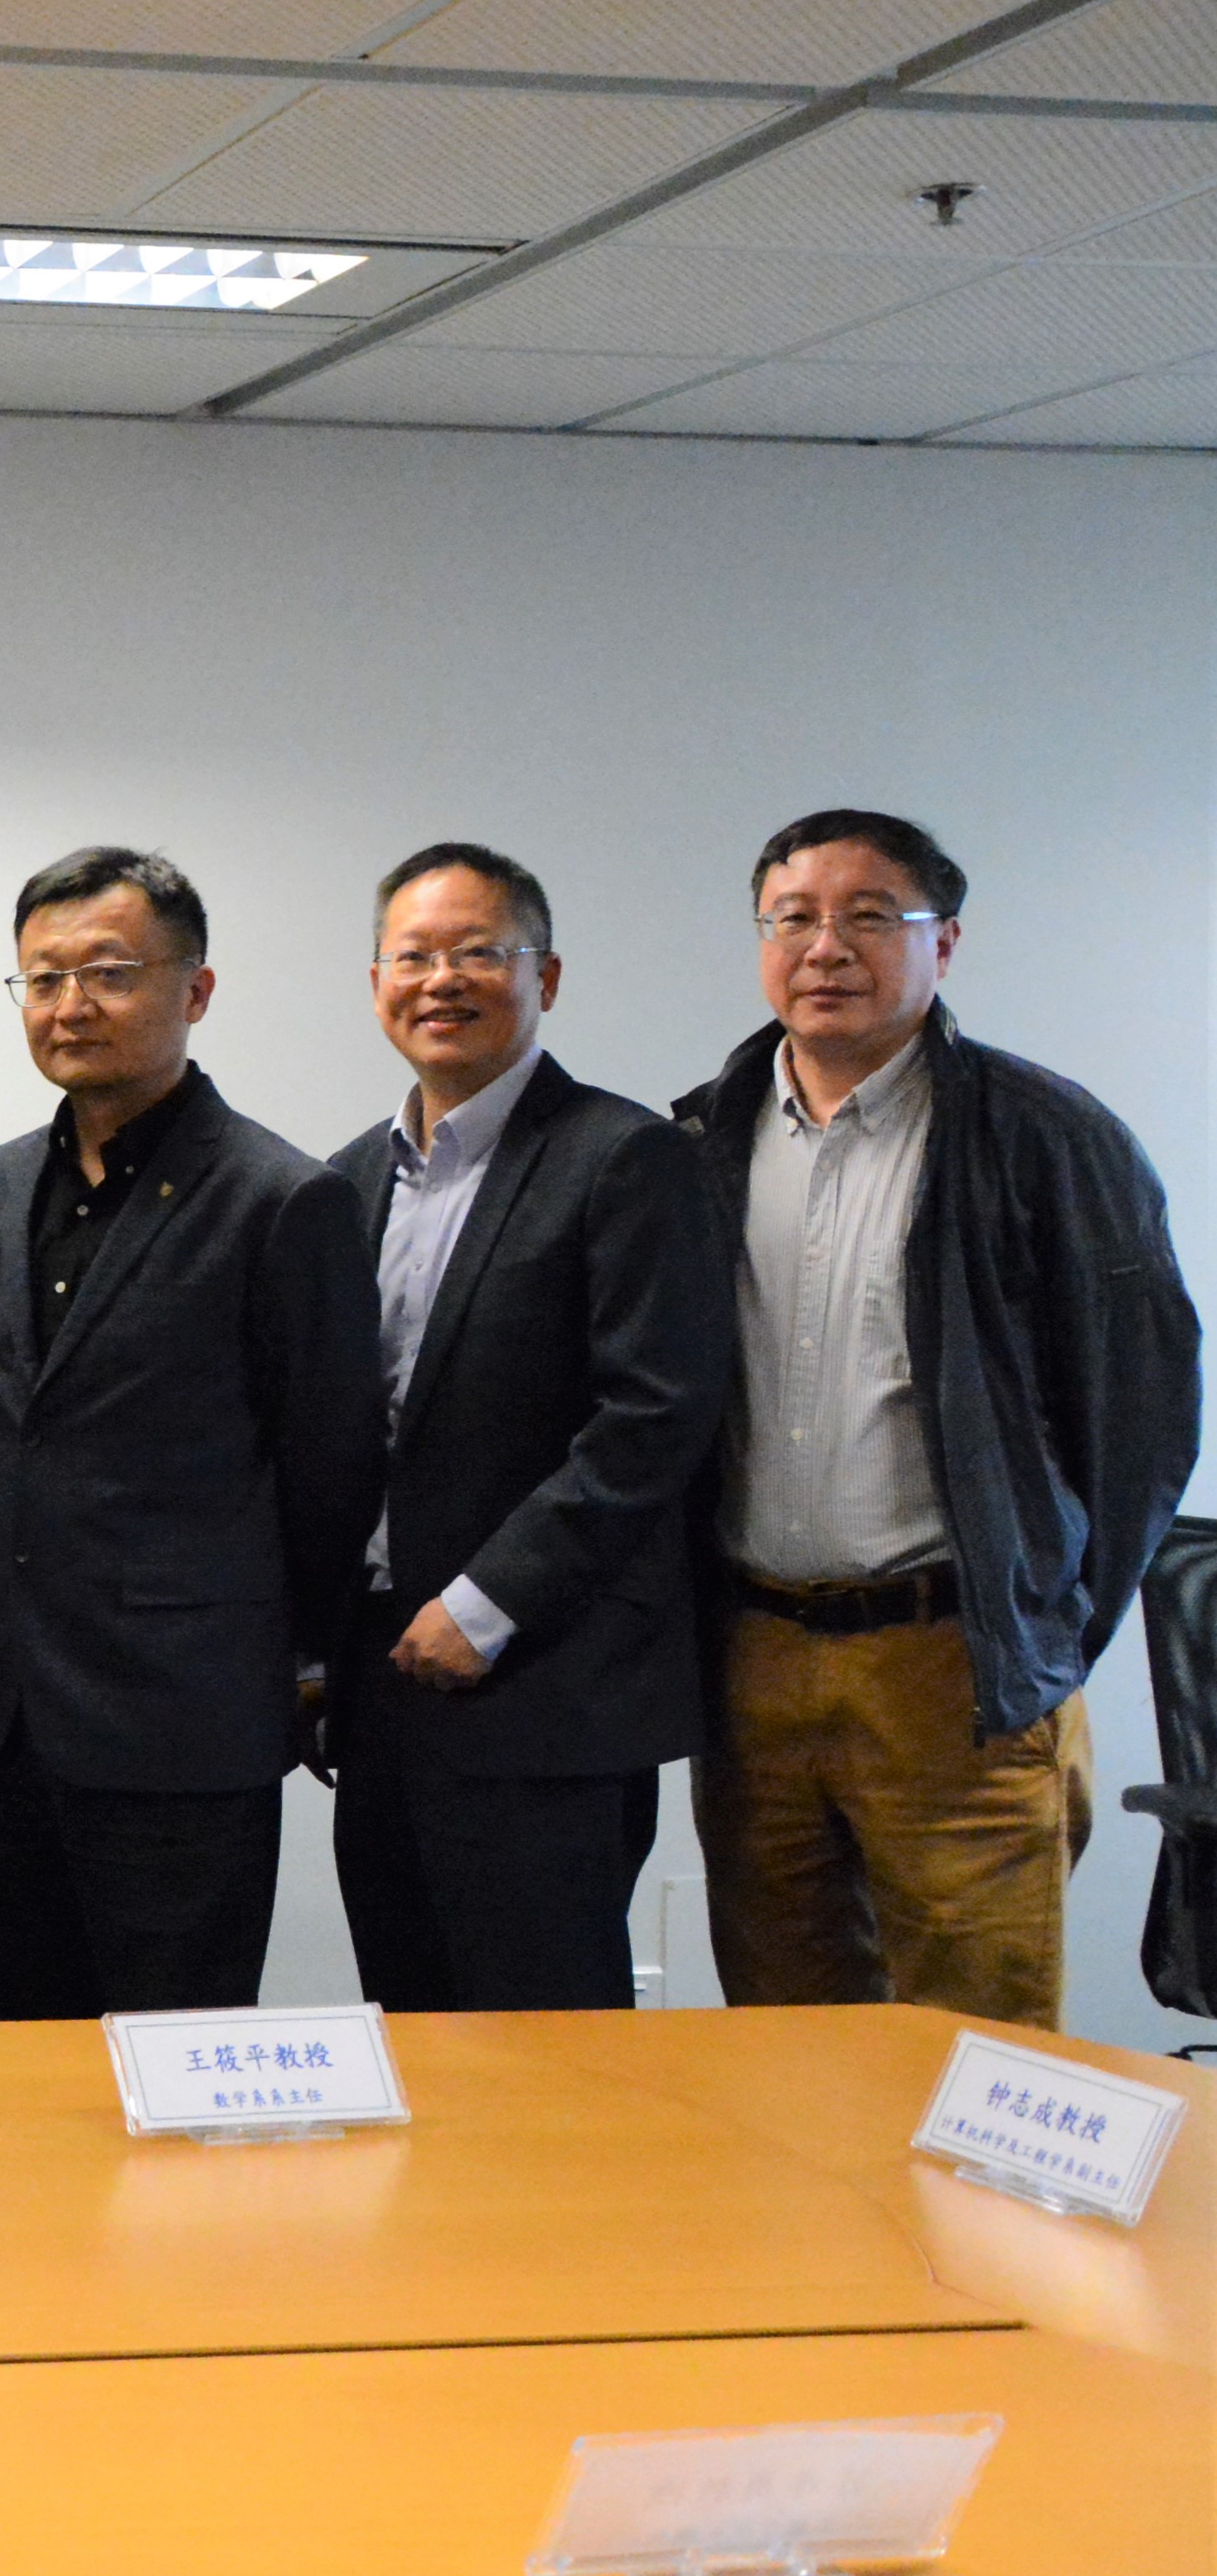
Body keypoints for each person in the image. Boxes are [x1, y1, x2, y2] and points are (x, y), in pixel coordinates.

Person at [676, 809, 1198, 2031]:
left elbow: (1141, 1413)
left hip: (949, 1664)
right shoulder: (700, 1136)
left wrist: (1044, 1621)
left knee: (981, 2049)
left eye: (871, 917)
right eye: (794, 917)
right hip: (751, 1660)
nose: (826, 947)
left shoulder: (1044, 1138)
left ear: (945, 942)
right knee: (787, 2046)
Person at [0, 847, 378, 2019]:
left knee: (174, 2070)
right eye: (42, 980)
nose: (70, 1006)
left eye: (107, 973)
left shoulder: (282, 1199)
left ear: (195, 991)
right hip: (5, 1721)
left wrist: (291, 1667)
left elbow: (331, 1469)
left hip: (183, 1721)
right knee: (11, 2063)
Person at [325, 845, 732, 2014]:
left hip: (548, 1694)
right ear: (375, 983)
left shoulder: (626, 1158)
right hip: (385, 1692)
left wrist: (486, 1603)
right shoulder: (349, 1182)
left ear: (544, 975)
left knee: (550, 2061)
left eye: (478, 953)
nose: (442, 980)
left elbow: (656, 1416)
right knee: (411, 2026)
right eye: (415, 956)